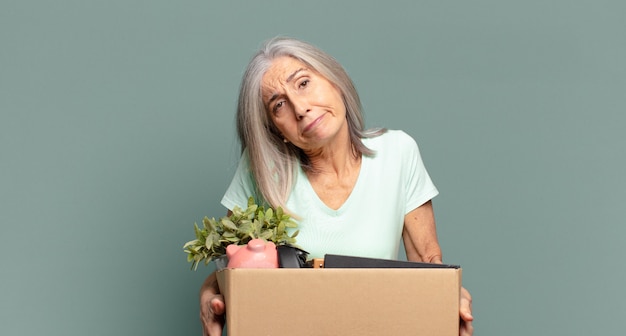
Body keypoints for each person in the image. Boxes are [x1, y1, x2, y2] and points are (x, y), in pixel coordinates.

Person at [199, 36, 474, 336]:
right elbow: (228, 264)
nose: (300, 108)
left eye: (303, 83)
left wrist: (450, 296)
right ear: (278, 132)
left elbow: (428, 263)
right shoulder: (263, 171)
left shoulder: (398, 152)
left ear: (335, 81)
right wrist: (209, 293)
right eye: (279, 105)